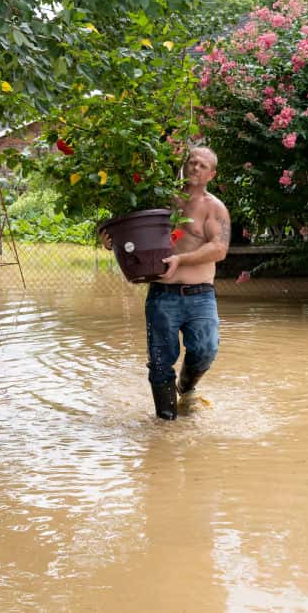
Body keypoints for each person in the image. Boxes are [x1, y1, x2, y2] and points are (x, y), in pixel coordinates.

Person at [100, 146, 231, 420]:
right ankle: (166, 423)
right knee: (160, 363)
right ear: (184, 166)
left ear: (212, 174)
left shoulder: (214, 208)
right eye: (192, 162)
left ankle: (186, 387)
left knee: (206, 350)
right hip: (162, 294)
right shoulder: (161, 201)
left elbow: (219, 249)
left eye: (202, 165)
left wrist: (180, 259)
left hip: (200, 295)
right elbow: (129, 229)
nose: (195, 167)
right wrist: (112, 239)